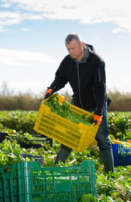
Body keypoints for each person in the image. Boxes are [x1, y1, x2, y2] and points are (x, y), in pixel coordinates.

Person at [44, 34, 114, 173]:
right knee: (68, 136)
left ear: (81, 45)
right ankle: (57, 169)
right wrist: (52, 88)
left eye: (73, 49)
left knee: (102, 139)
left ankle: (110, 172)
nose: (71, 52)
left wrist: (99, 113)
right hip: (77, 103)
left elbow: (101, 88)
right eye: (68, 49)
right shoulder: (67, 61)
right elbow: (60, 78)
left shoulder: (97, 61)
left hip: (96, 104)